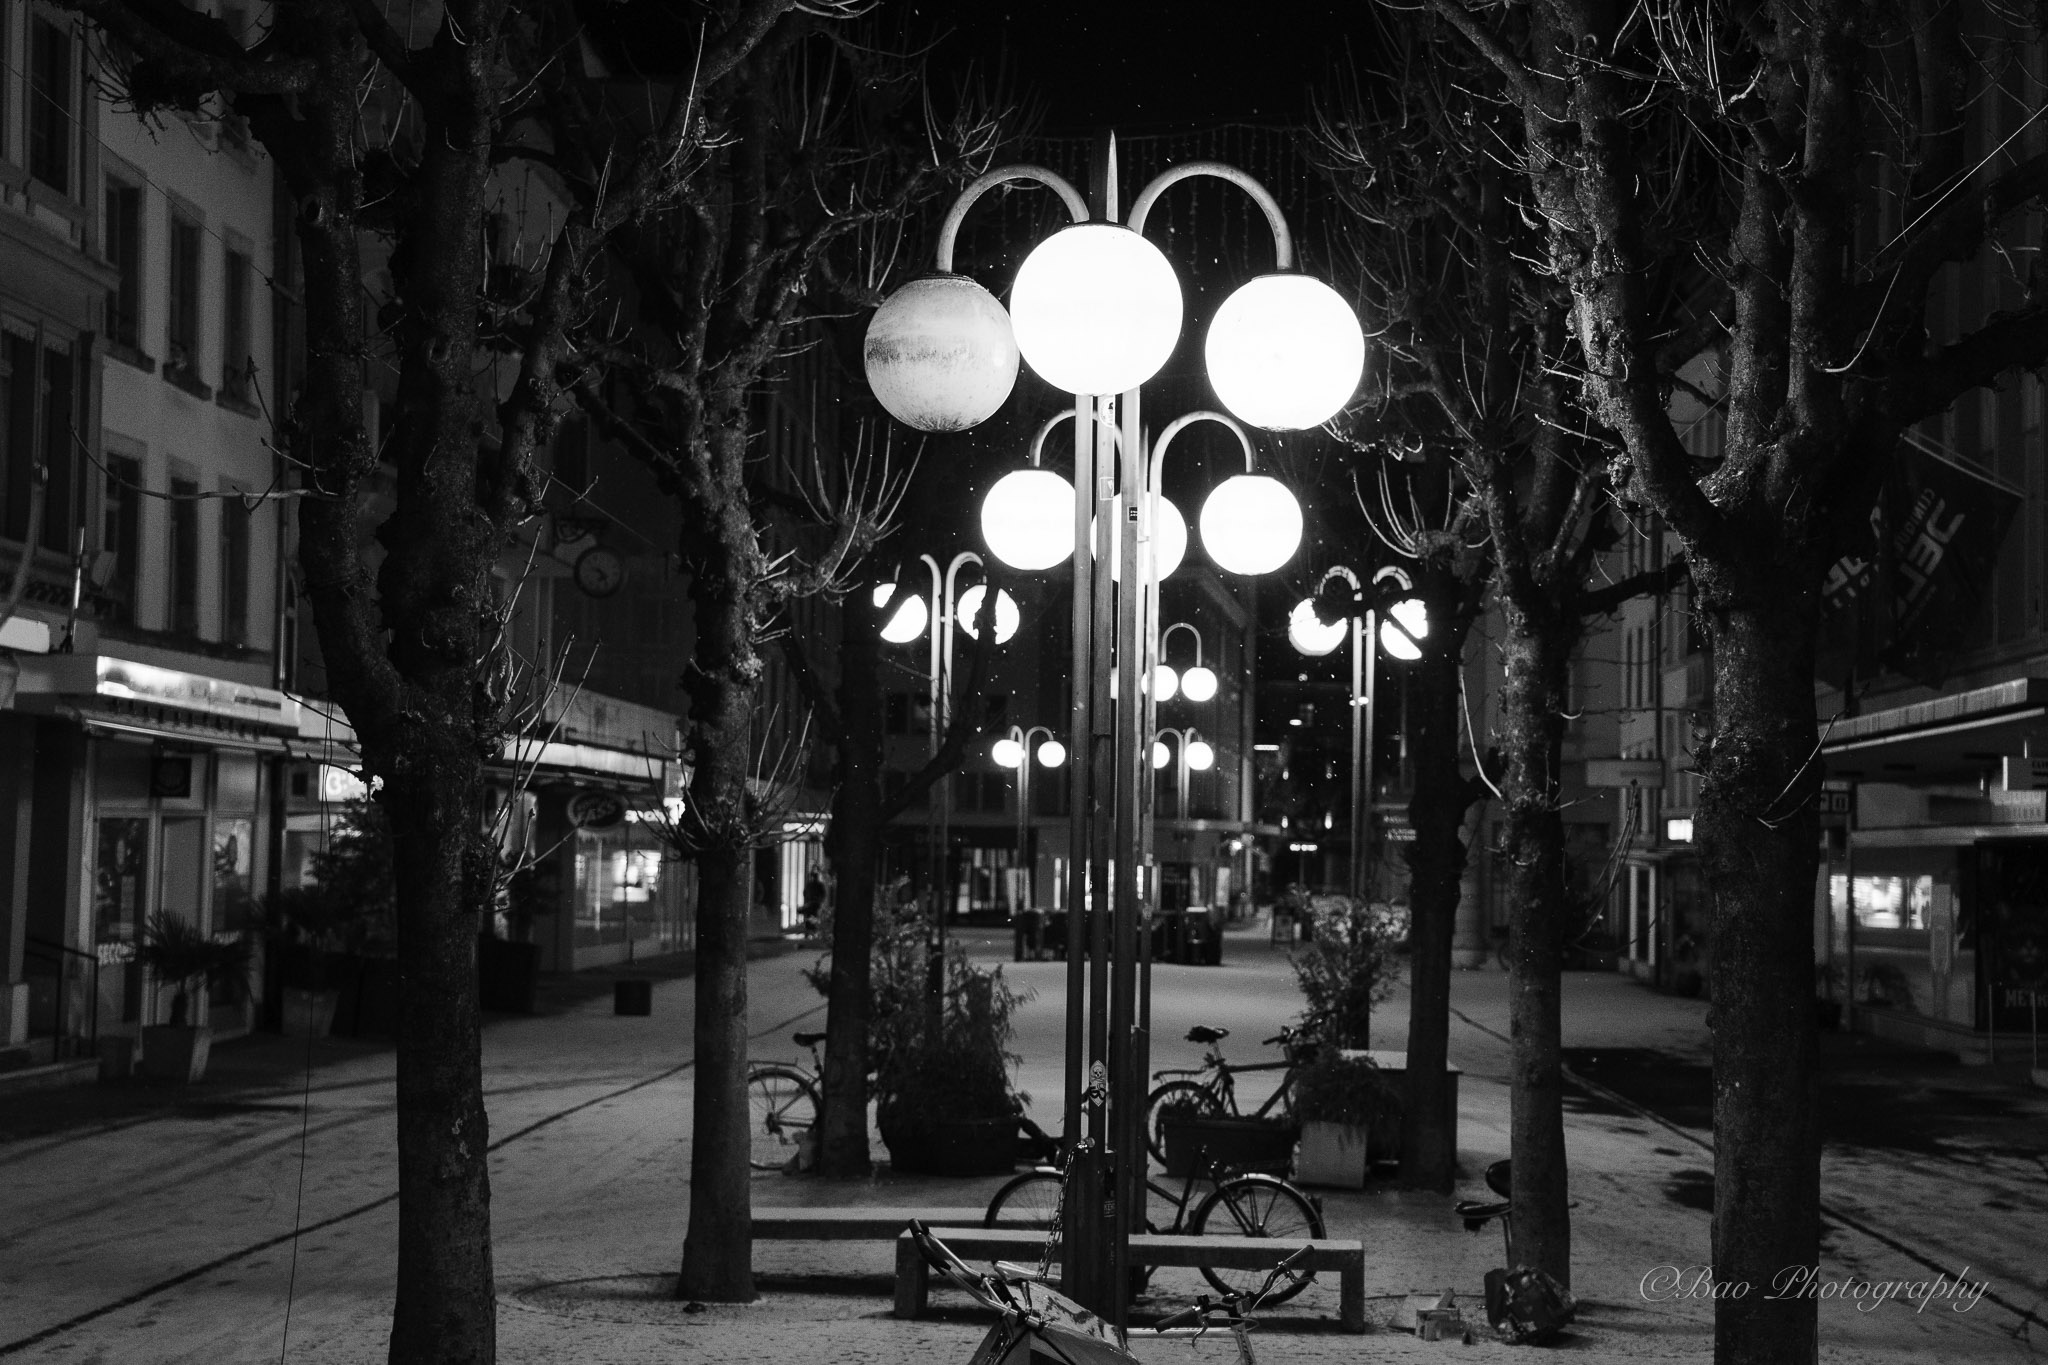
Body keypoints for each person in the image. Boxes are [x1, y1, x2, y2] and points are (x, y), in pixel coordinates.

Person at [801, 871, 827, 937]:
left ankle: (809, 931)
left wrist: (807, 899)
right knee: (813, 916)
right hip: (815, 903)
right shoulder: (817, 885)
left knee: (810, 916)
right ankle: (812, 930)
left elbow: (804, 893)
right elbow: (823, 894)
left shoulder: (810, 885)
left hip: (812, 903)